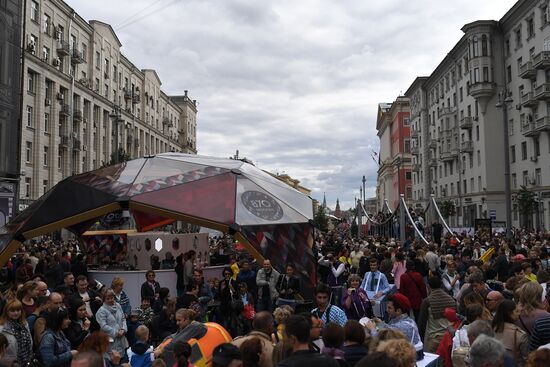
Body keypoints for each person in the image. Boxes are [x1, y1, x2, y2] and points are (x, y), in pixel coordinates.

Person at [367, 293, 422, 358]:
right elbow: (389, 328)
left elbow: (379, 343)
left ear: (398, 311)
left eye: (389, 308)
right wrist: (380, 323)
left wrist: (372, 329)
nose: (387, 310)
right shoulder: (409, 321)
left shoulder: (400, 326)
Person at [417, 276, 457, 353]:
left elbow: (422, 324)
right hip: (449, 338)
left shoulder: (427, 301)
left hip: (434, 339)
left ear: (428, 286)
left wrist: (420, 343)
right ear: (441, 285)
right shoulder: (451, 299)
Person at [491, 299, 529, 366]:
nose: (519, 314)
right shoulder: (520, 335)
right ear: (509, 313)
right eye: (516, 311)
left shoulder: (491, 329)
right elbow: (526, 358)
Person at [95, 288, 128, 356]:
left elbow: (123, 318)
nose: (111, 300)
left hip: (121, 338)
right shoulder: (101, 311)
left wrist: (123, 329)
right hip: (109, 341)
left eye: (112, 297)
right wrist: (116, 332)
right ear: (104, 299)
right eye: (108, 298)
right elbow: (103, 326)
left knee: (121, 359)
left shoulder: (118, 305)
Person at [0, 299, 33, 366]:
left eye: (18, 310)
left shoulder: (25, 324)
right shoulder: (1, 328)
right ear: (6, 312)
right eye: (12, 311)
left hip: (27, 362)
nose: (16, 313)